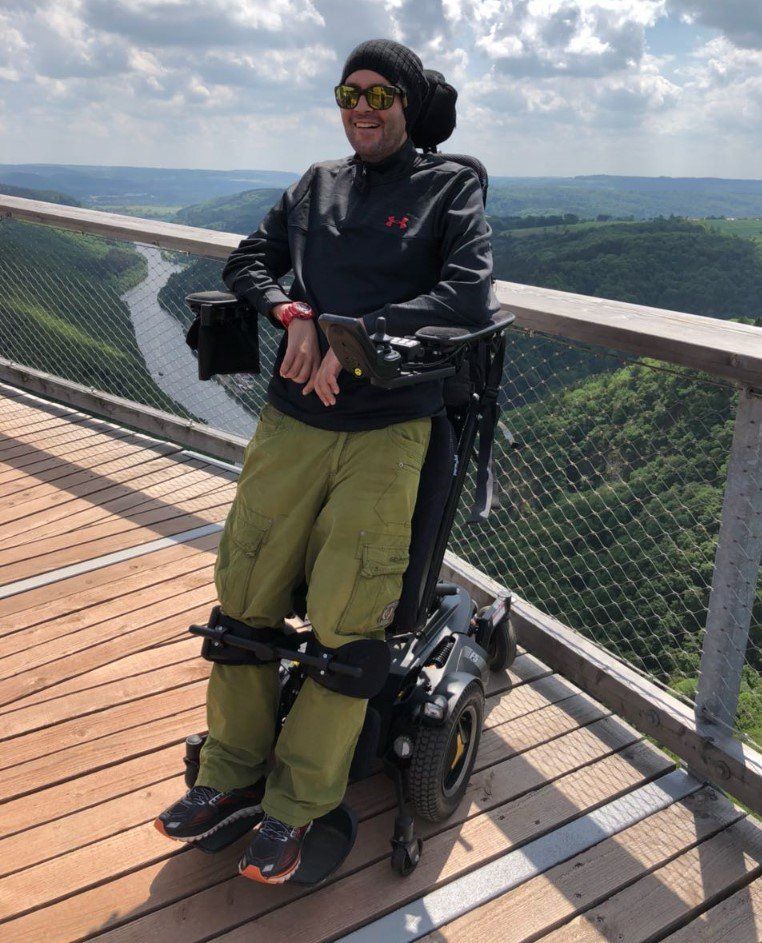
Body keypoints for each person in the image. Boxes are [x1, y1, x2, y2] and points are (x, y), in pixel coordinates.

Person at [155, 37, 500, 885]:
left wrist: (351, 338)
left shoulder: (449, 187)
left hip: (388, 427)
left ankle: (297, 804)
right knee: (245, 597)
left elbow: (467, 293)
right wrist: (293, 314)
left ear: (408, 104)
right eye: (349, 94)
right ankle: (229, 774)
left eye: (380, 95)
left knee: (350, 624)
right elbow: (249, 261)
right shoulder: (316, 183)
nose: (361, 109)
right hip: (292, 421)